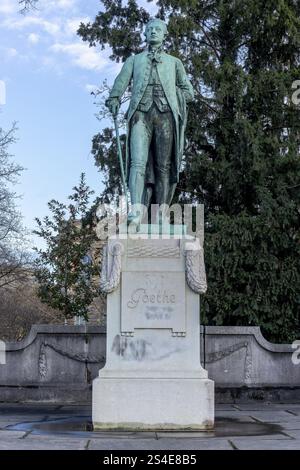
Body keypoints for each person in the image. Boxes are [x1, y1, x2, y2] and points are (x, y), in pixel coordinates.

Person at [106, 18, 194, 225]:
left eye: (158, 30)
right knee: (137, 162)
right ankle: (136, 211)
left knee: (164, 166)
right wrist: (114, 97)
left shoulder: (174, 63)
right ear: (145, 34)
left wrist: (176, 96)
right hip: (140, 115)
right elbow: (120, 82)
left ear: (164, 35)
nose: (154, 32)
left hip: (165, 116)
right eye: (150, 29)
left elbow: (188, 91)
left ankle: (161, 215)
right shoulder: (134, 61)